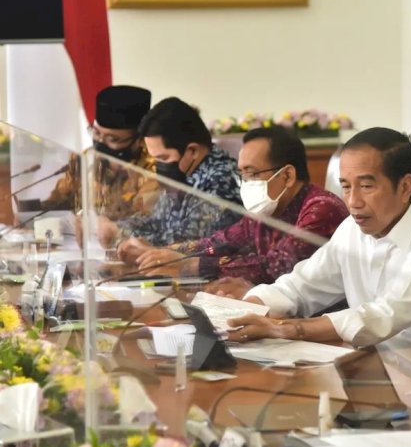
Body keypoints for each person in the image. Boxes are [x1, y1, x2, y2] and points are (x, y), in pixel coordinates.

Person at [226, 127, 411, 360]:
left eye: (366, 186)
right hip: (368, 364)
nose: (353, 201)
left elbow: (382, 316)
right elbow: (301, 285)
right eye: (346, 187)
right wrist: (239, 312)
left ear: (405, 187)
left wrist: (283, 329)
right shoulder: (352, 229)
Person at [132, 126, 349, 297]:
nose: (246, 183)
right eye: (242, 174)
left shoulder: (321, 209)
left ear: (288, 176)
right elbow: (220, 241)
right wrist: (165, 255)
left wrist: (189, 264)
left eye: (252, 174)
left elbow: (278, 265)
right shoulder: (268, 209)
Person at [108, 97, 242, 255]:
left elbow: (189, 242)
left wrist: (128, 237)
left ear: (193, 151)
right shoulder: (183, 175)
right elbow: (156, 222)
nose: (157, 165)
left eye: (163, 158)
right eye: (155, 158)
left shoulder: (222, 180)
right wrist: (117, 228)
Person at [45, 85, 160, 218]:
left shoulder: (153, 171)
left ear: (140, 140)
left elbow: (140, 222)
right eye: (96, 133)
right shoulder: (84, 159)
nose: (100, 142)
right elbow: (60, 198)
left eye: (112, 139)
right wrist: (35, 211)